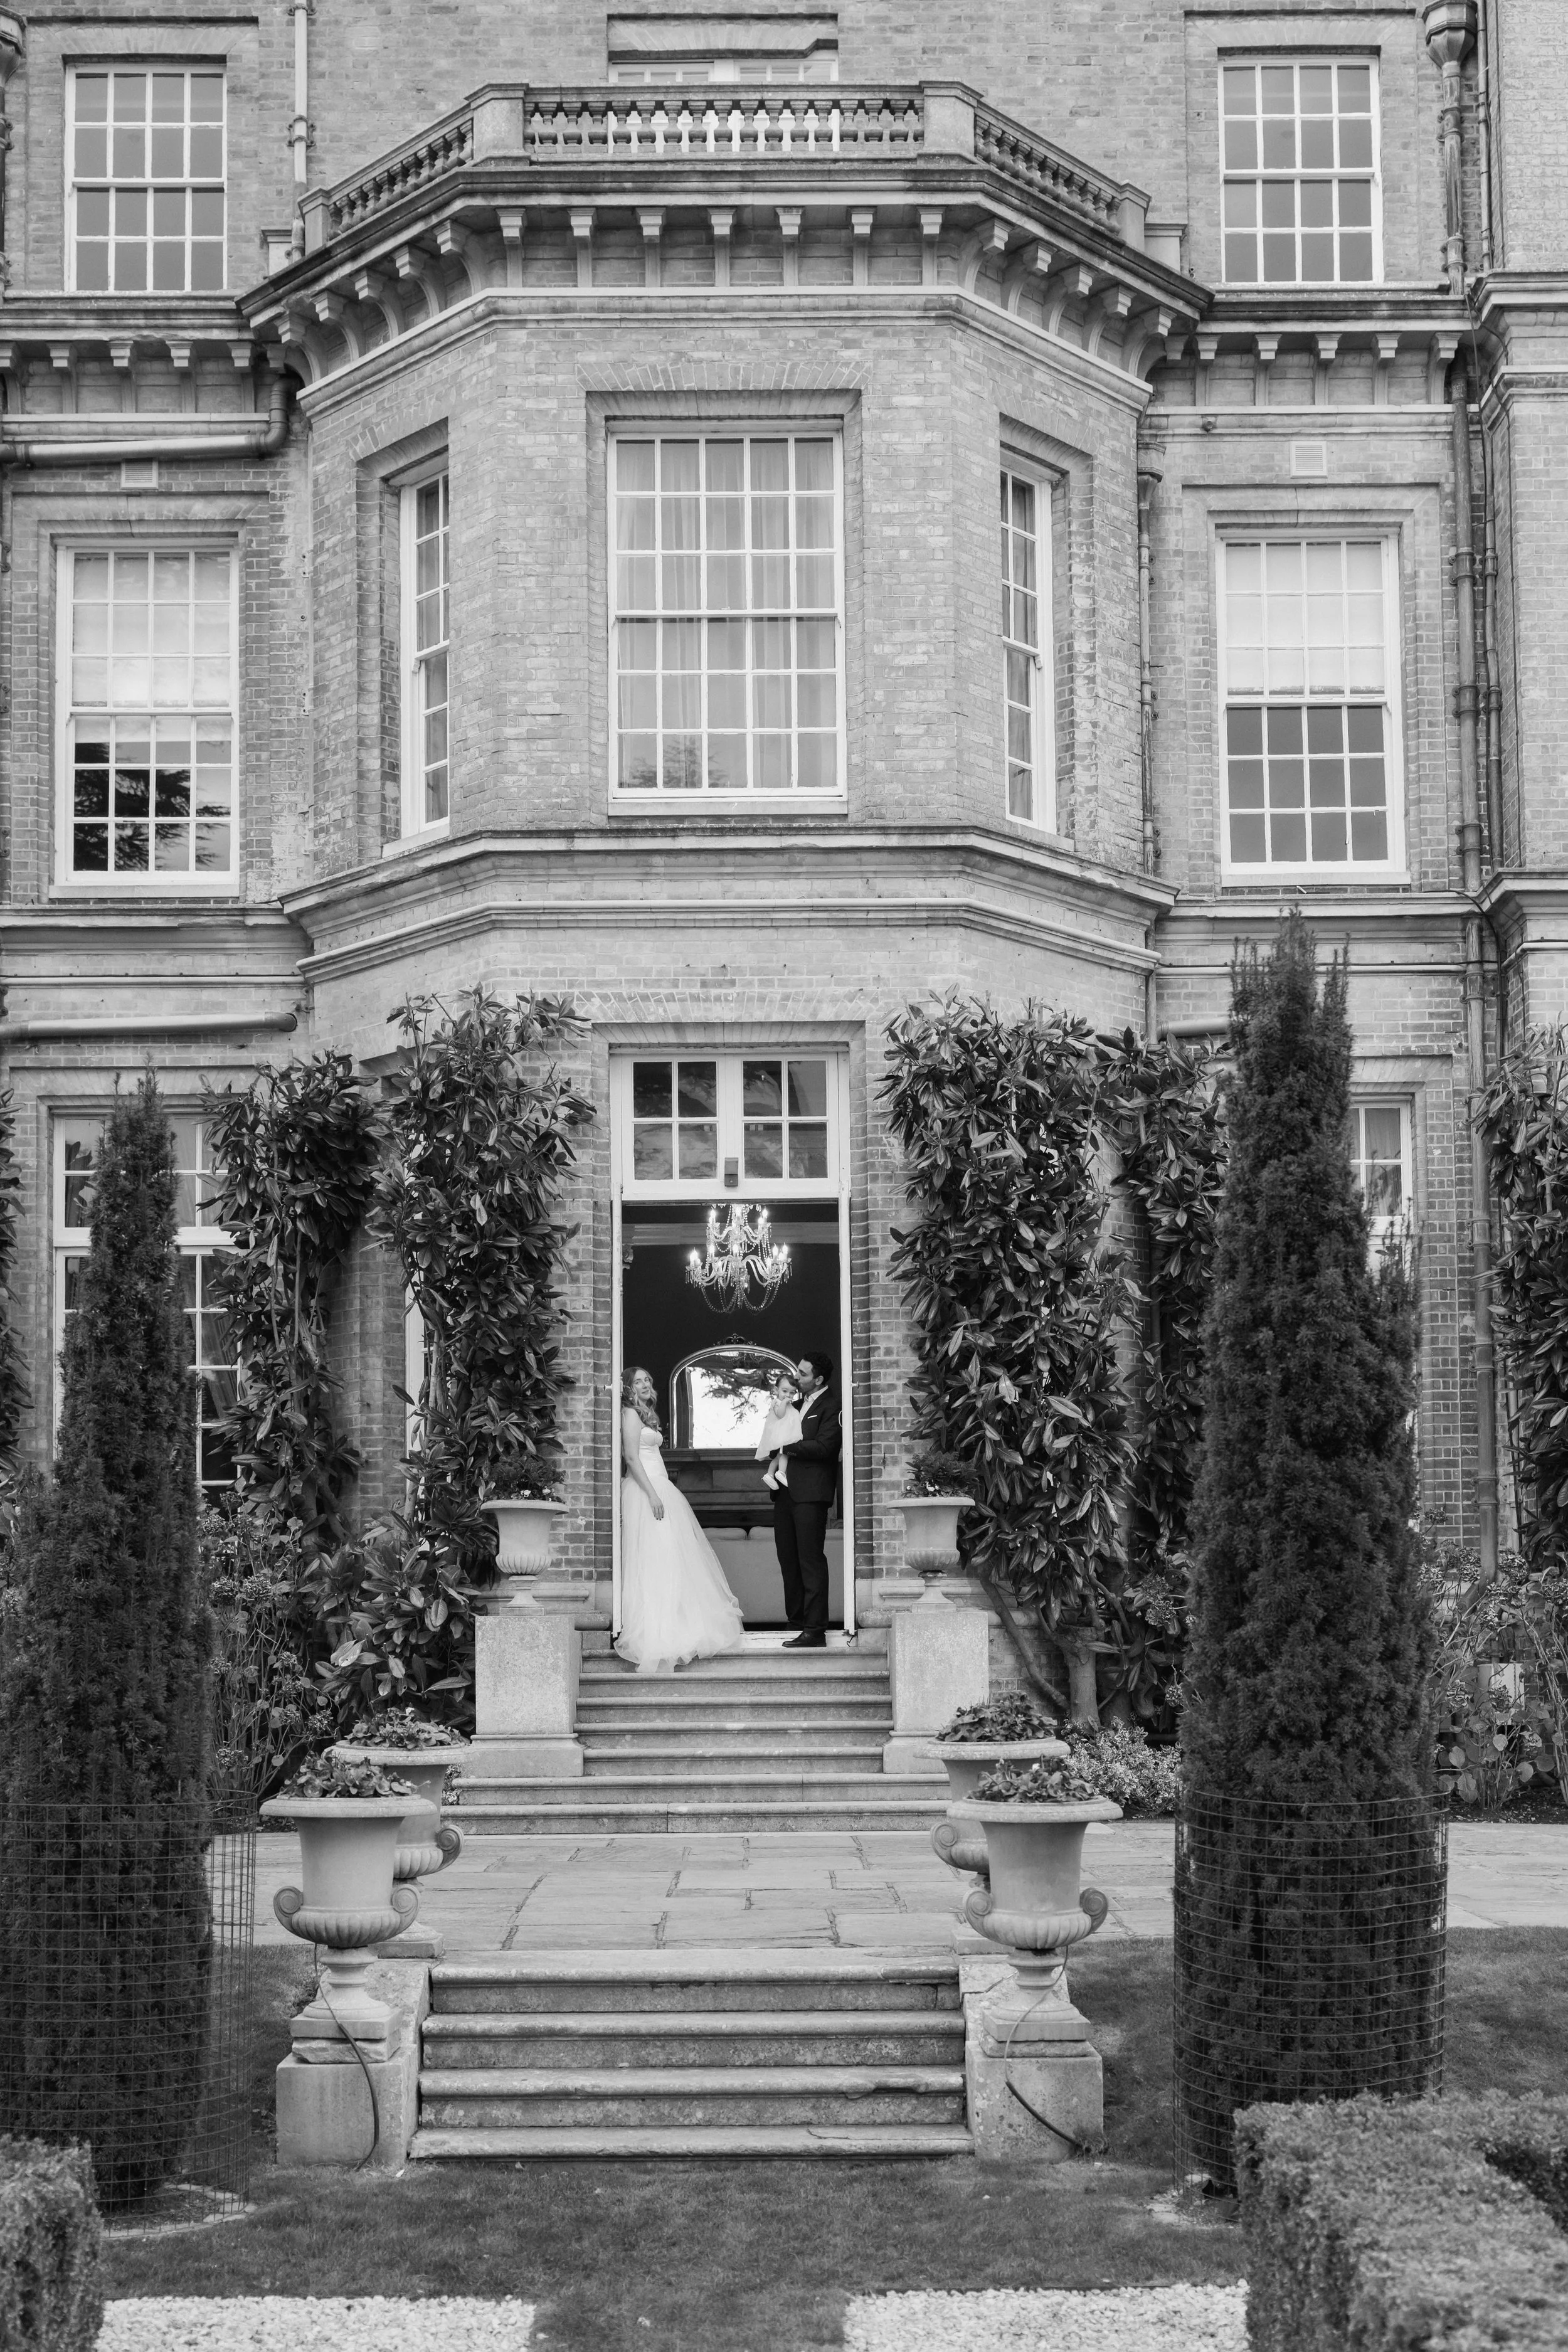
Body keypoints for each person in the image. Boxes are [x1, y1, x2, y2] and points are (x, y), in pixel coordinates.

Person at [617, 1364, 744, 1675]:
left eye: (648, 1379)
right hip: (646, 1490)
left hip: (660, 1487)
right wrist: (652, 1494)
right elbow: (632, 1457)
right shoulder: (630, 1414)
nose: (646, 1384)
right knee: (655, 1558)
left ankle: (675, 1628)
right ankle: (655, 1636)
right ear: (628, 1388)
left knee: (671, 1557)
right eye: (638, 1381)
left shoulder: (647, 1414)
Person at [778, 1350, 841, 1650]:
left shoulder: (833, 1405)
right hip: (785, 1492)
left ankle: (815, 1631)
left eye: (803, 1374)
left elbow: (826, 1447)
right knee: (788, 1560)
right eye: (797, 1371)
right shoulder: (796, 1403)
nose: (796, 1377)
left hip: (812, 1494)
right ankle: (796, 1621)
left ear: (818, 1379)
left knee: (810, 1560)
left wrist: (787, 1447)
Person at [756, 1368, 805, 1630]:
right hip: (784, 1444)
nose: (788, 1395)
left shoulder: (795, 1406)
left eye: (791, 1391)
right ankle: (775, 1475)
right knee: (783, 1454)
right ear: (776, 1390)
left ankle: (774, 1474)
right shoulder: (781, 1406)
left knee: (781, 1455)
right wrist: (785, 1402)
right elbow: (779, 1415)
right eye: (784, 1391)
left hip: (798, 1489)